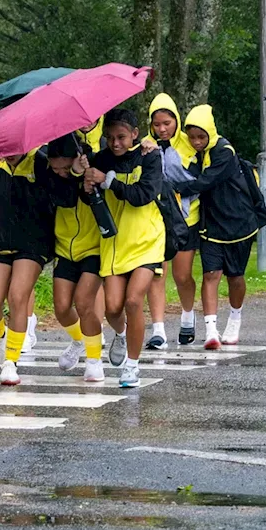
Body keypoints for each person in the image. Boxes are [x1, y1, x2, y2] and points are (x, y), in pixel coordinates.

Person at [0, 145, 76, 386]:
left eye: (14, 147)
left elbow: (65, 197)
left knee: (17, 297)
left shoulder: (42, 163)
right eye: (4, 147)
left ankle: (11, 362)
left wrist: (72, 172)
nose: (9, 152)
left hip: (33, 244)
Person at [82, 108, 165, 388]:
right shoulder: (101, 160)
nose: (116, 144)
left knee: (132, 301)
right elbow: (86, 199)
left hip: (147, 239)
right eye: (110, 138)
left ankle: (132, 365)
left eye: (121, 137)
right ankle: (122, 334)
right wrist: (85, 179)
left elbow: (143, 195)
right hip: (114, 243)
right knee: (113, 308)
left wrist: (108, 181)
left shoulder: (149, 155)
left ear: (134, 134)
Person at [173, 104, 262, 349]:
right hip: (211, 226)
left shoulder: (225, 152)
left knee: (236, 277)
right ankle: (211, 331)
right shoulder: (194, 153)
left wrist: (178, 188)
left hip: (238, 225)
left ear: (211, 132)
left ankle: (235, 318)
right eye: (191, 137)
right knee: (211, 274)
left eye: (201, 137)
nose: (196, 141)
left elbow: (206, 181)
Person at [46, 133, 107, 382]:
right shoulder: (52, 178)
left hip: (93, 248)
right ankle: (81, 341)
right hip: (64, 248)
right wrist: (70, 174)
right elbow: (64, 196)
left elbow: (85, 195)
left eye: (63, 166)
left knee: (84, 303)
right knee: (61, 308)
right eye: (55, 168)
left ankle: (94, 360)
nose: (59, 172)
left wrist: (84, 172)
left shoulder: (94, 165)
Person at [145, 93, 200, 349]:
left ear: (176, 121)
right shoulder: (145, 145)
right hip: (156, 221)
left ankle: (187, 316)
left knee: (182, 275)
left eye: (167, 123)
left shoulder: (190, 145)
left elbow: (199, 182)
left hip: (186, 219)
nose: (162, 129)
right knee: (157, 275)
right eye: (157, 124)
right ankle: (158, 330)